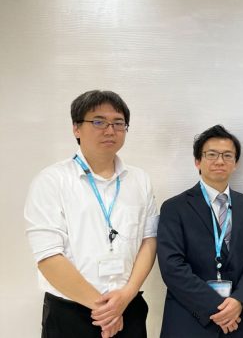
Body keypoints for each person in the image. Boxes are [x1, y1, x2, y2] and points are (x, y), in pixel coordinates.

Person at [25, 90, 158, 338]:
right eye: (98, 122)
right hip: (70, 312)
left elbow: (149, 240)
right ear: (76, 128)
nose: (110, 130)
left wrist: (126, 296)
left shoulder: (140, 180)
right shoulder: (51, 180)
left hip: (128, 307)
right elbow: (48, 256)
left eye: (118, 123)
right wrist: (105, 311)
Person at [157, 124, 243, 338]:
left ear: (235, 163)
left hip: (235, 322)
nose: (220, 161)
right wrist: (218, 308)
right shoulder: (174, 207)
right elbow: (172, 267)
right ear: (198, 161)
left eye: (227, 155)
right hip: (188, 321)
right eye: (212, 154)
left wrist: (238, 301)